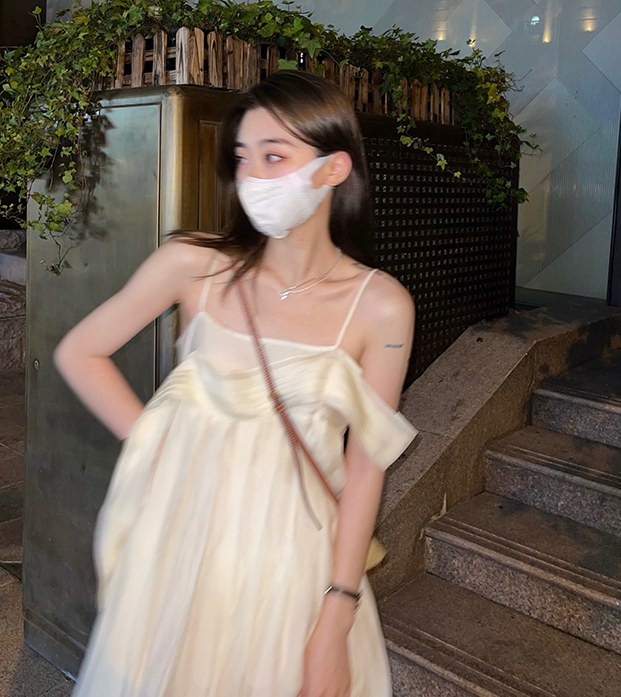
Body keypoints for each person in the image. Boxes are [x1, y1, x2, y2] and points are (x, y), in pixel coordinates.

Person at [54, 70, 418, 697]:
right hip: (181, 543)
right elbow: (80, 351)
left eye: (274, 156)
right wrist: (156, 441)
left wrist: (336, 615)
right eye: (242, 157)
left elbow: (366, 469)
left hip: (292, 563)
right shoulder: (194, 265)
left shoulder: (381, 306)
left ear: (333, 168)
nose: (251, 176)